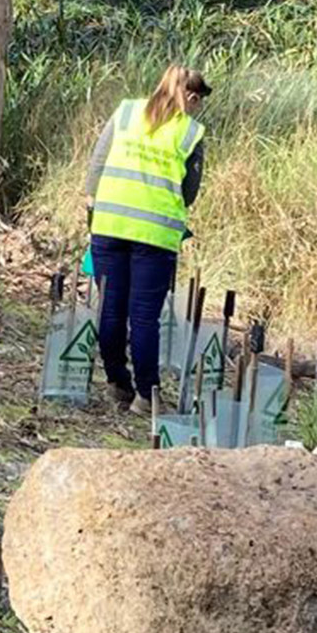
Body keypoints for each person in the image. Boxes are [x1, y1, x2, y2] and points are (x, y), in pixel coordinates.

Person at [84, 65, 211, 411]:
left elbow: (96, 164)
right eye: (198, 103)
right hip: (154, 235)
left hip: (108, 225)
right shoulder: (190, 132)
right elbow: (189, 193)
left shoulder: (126, 112)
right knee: (143, 316)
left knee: (110, 308)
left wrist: (93, 205)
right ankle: (147, 396)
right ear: (192, 97)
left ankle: (116, 382)